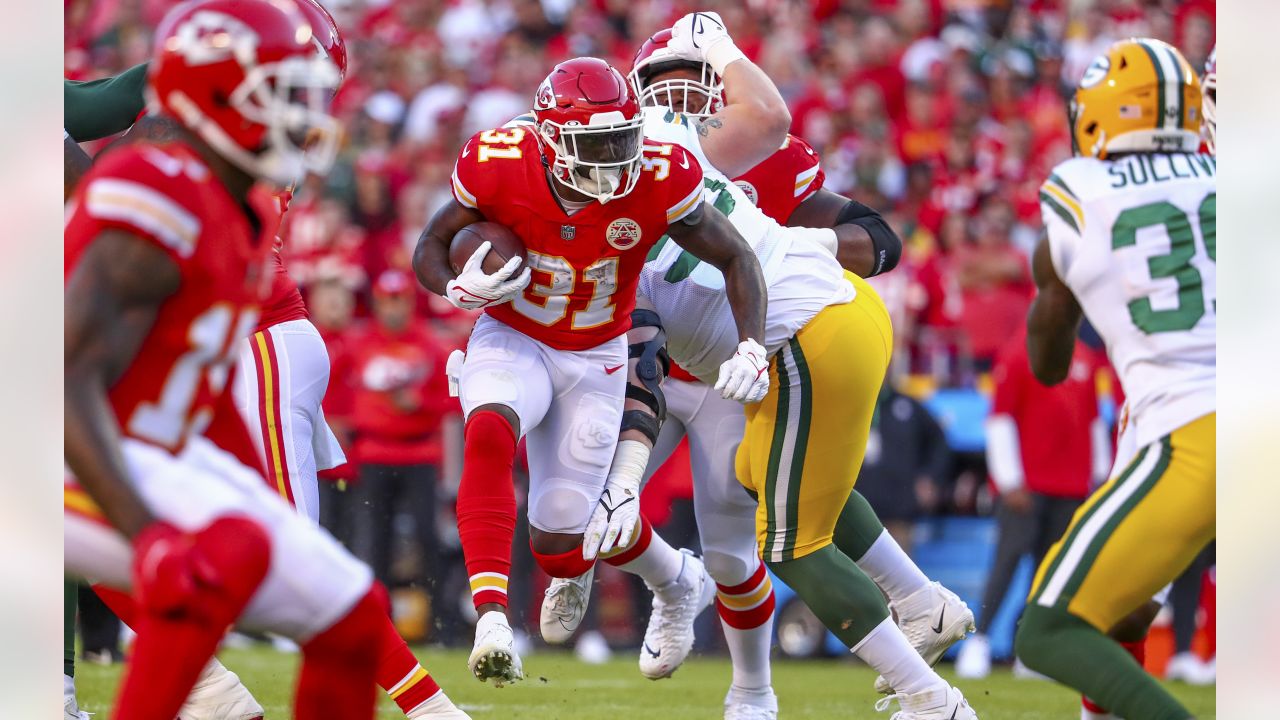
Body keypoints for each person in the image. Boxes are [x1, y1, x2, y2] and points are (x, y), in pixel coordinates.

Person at [541, 16, 976, 719]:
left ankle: (929, 698)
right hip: (792, 333)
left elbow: (851, 224)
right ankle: (919, 603)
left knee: (781, 544)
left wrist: (787, 250)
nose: (677, 102)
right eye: (661, 85)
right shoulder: (669, 154)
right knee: (769, 483)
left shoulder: (648, 180)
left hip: (782, 341)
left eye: (696, 79)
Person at [63, 2, 390, 718]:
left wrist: (251, 493)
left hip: (132, 435)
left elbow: (201, 387)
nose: (304, 116)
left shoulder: (231, 201)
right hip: (51, 444)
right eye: (286, 92)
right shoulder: (153, 186)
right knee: (219, 556)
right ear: (215, 94)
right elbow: (60, 383)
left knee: (348, 610)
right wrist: (148, 535)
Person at [413, 56, 769, 687]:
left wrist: (750, 344)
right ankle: (491, 619)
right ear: (550, 141)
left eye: (621, 139)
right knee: (488, 430)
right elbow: (431, 246)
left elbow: (737, 254)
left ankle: (677, 578)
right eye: (594, 143)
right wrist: (453, 288)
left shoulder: (659, 174)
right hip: (514, 332)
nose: (613, 156)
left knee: (560, 544)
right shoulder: (498, 161)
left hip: (598, 352)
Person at [1013, 38, 1215, 720]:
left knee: (1049, 628)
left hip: (1196, 427)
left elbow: (1048, 365)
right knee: (1125, 610)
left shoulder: (1079, 188)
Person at [956, 329, 1109, 679]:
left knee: (1050, 572)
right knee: (1006, 563)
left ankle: (1028, 649)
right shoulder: (1019, 353)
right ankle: (978, 642)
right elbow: (1001, 417)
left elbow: (1093, 420)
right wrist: (1009, 480)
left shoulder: (1084, 358)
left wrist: (1099, 475)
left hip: (1070, 485)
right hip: (1026, 484)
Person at [345, 270, 454, 613]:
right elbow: (340, 400)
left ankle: (442, 620)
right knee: (375, 540)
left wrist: (419, 404)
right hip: (374, 452)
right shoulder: (358, 344)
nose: (393, 310)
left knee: (428, 537)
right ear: (377, 303)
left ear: (410, 303)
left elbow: (453, 402)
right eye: (386, 301)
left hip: (419, 454)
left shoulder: (431, 344)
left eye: (400, 301)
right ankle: (379, 620)